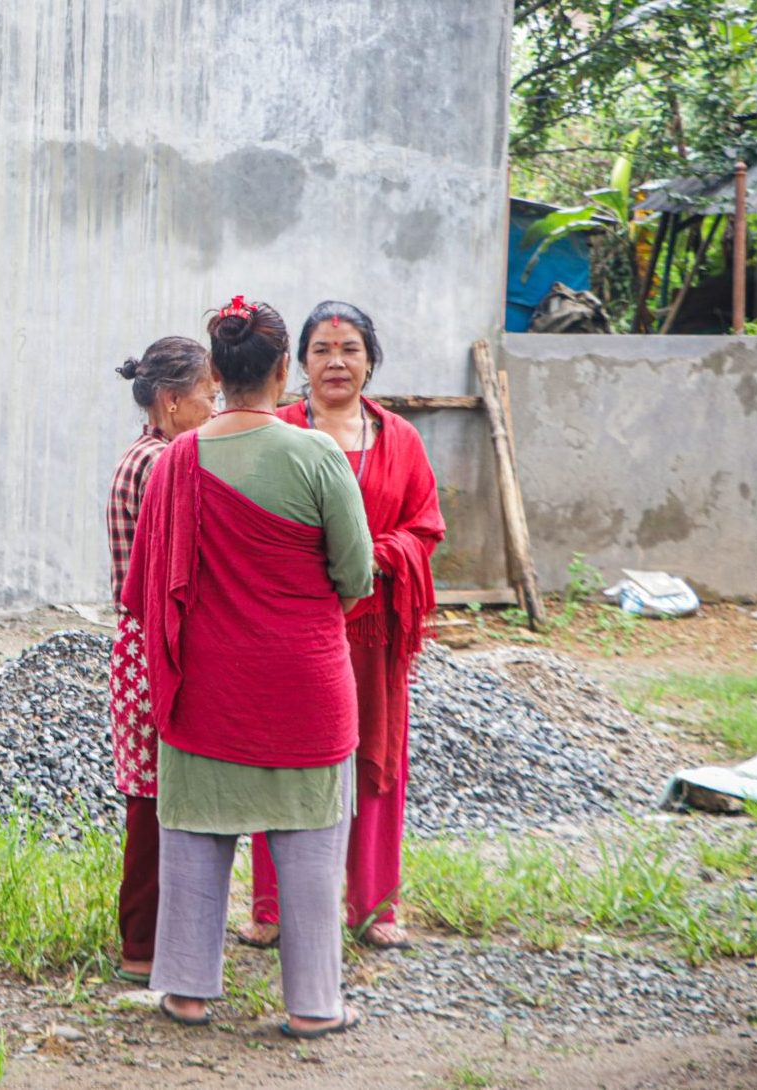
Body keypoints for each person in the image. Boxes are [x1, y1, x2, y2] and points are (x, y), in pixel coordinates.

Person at [125, 297, 373, 1038]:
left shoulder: (178, 460)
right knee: (307, 843)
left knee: (196, 838)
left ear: (217, 373)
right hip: (303, 684)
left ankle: (187, 991)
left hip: (203, 686)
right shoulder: (316, 454)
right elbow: (356, 574)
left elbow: (141, 586)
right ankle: (312, 1004)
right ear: (279, 370)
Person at [242, 301, 445, 950]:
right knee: (284, 761)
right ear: (297, 363)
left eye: (349, 349)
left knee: (376, 760)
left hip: (373, 632)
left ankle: (374, 906)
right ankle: (271, 908)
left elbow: (425, 528)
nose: (336, 362)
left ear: (370, 360)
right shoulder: (275, 428)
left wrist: (374, 555)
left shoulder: (400, 441)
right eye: (322, 350)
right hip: (293, 629)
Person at [105, 336, 216, 983]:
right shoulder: (162, 465)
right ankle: (142, 945)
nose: (213, 406)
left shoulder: (147, 454)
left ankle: (150, 941)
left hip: (143, 647)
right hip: (158, 648)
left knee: (155, 799)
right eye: (207, 394)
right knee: (155, 803)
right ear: (172, 402)